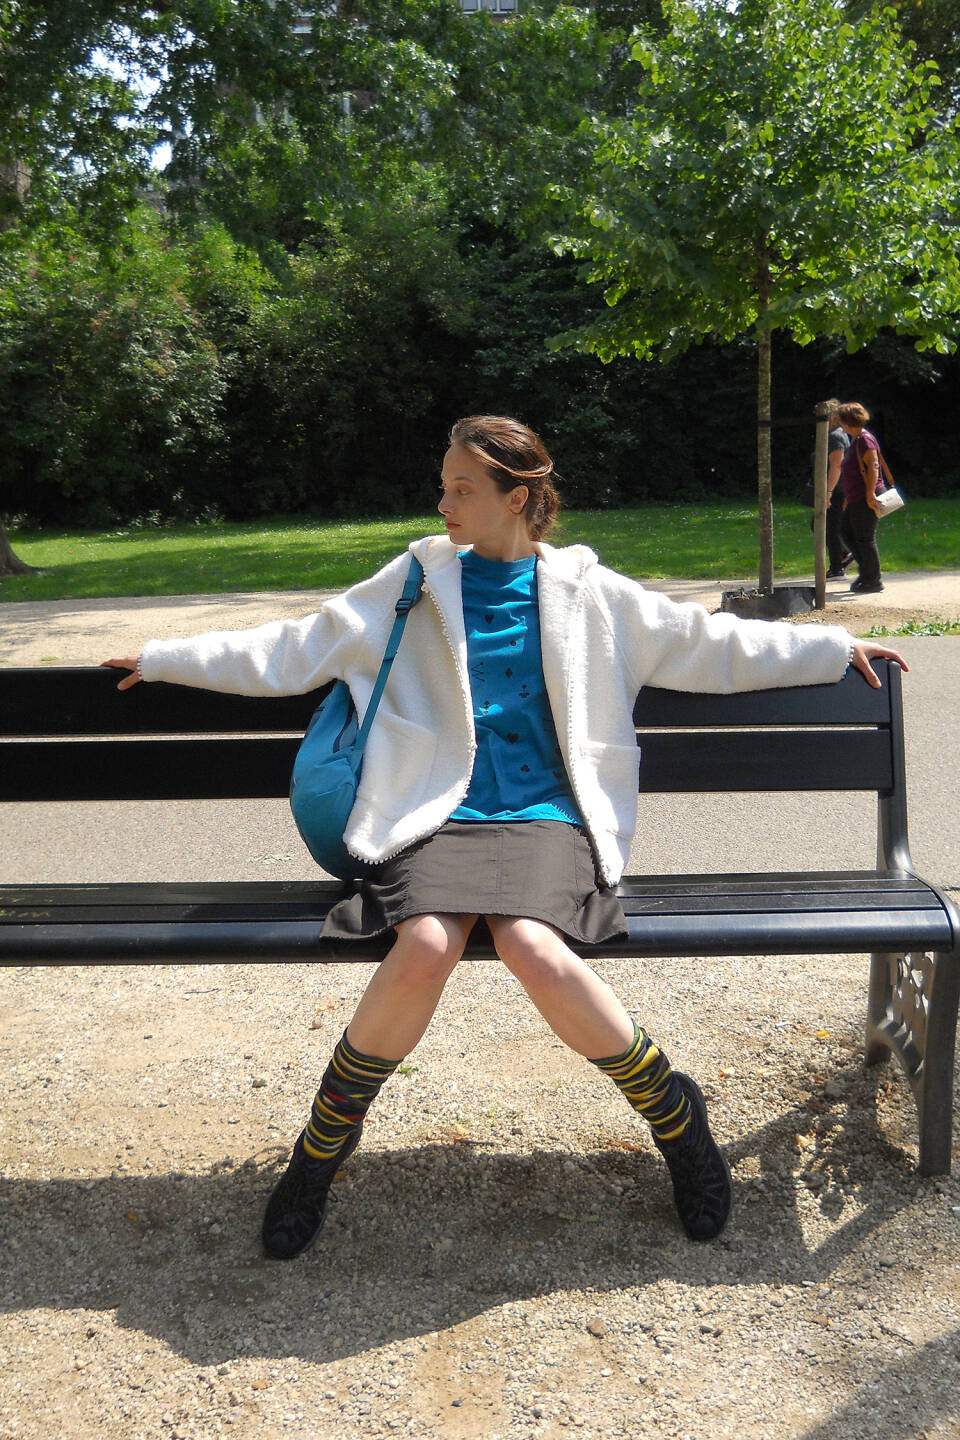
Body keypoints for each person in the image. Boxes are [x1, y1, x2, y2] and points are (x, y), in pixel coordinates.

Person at [102, 414, 907, 1259]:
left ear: (516, 498)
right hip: (435, 812)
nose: (443, 503)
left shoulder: (589, 591)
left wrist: (831, 650)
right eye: (443, 486)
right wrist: (162, 658)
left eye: (461, 488)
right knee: (423, 944)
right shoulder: (415, 580)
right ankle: (321, 1148)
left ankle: (674, 1116)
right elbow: (296, 647)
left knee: (531, 945)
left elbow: (708, 644)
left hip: (546, 815)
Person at [837, 401, 885, 594]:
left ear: (849, 421)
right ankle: (866, 572)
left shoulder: (865, 440)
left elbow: (873, 467)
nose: (840, 425)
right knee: (846, 531)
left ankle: (873, 579)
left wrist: (870, 494)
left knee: (865, 538)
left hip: (866, 497)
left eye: (842, 421)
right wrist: (848, 497)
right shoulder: (856, 440)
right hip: (856, 497)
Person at [824, 400, 853, 579]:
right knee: (822, 525)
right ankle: (845, 556)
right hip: (839, 489)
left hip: (838, 490)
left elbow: (836, 465)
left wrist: (828, 492)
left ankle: (837, 568)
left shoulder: (835, 435)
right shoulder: (838, 433)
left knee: (830, 528)